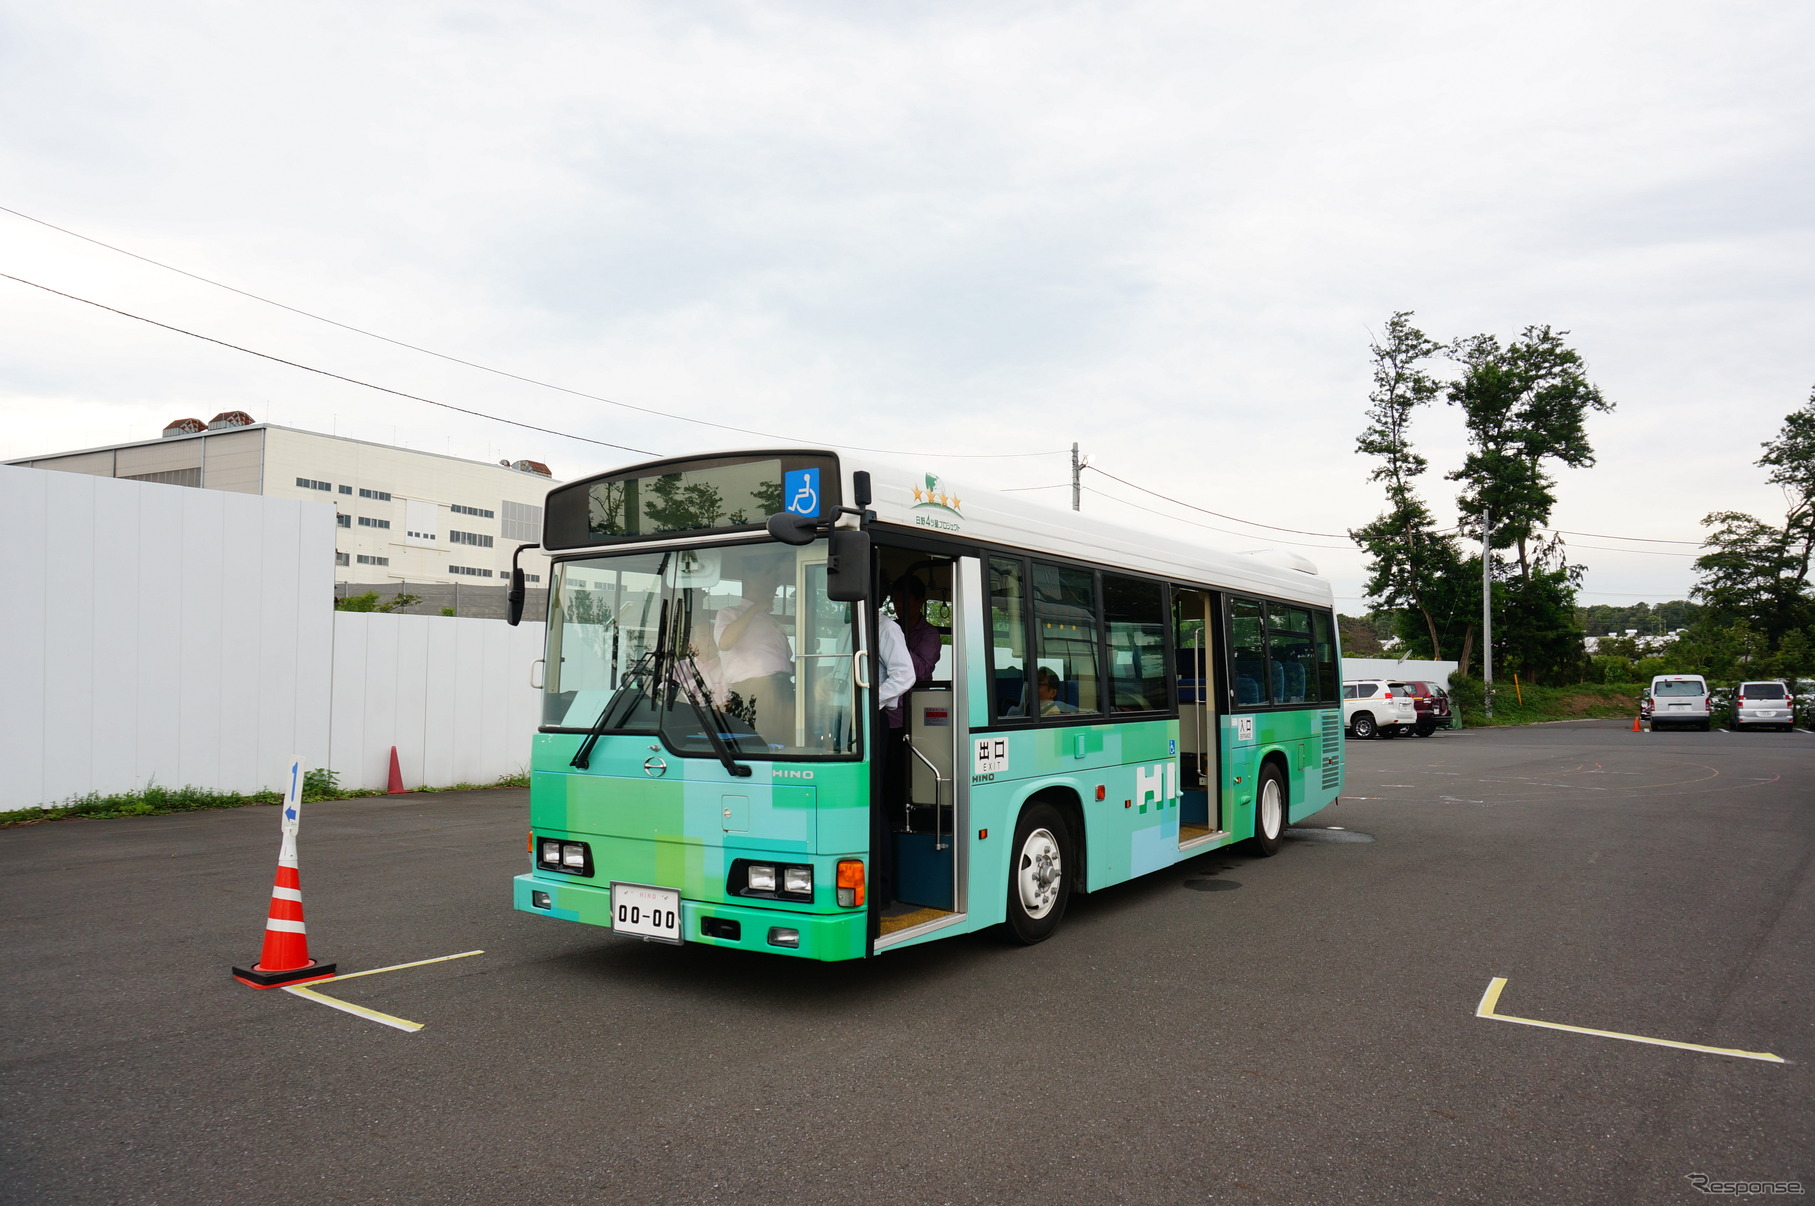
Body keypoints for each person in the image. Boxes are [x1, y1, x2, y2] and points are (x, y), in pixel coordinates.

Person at [714, 561, 795, 746]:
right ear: (750, 581)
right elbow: (725, 643)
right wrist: (755, 608)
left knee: (789, 741)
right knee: (762, 742)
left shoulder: (772, 621)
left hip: (782, 687)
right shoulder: (730, 613)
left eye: (775, 581)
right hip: (754, 689)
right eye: (769, 578)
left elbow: (783, 659)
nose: (773, 585)